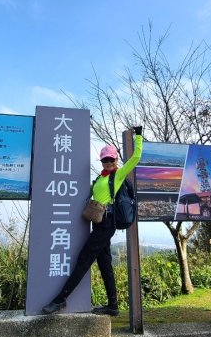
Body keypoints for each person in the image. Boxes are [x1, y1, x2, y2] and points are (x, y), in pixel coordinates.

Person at [42, 126, 143, 316]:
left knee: (84, 259)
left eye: (111, 159)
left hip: (107, 223)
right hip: (98, 223)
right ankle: (113, 306)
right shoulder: (98, 179)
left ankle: (60, 299)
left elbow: (136, 157)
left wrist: (138, 136)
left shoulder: (118, 175)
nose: (107, 162)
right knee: (104, 264)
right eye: (104, 159)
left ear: (116, 160)